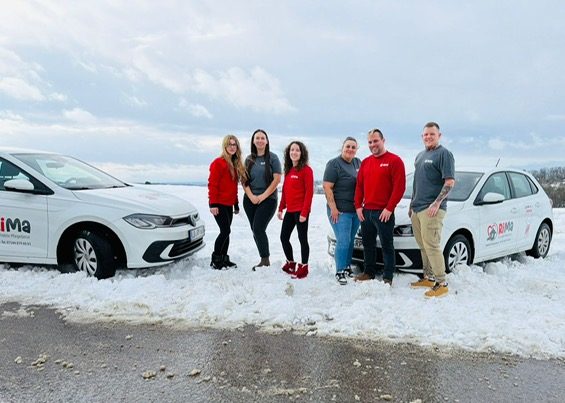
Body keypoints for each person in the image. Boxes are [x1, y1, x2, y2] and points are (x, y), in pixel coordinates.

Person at [354, 129, 406, 285]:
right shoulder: (366, 162)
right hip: (366, 212)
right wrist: (358, 206)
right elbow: (359, 186)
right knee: (368, 244)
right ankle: (368, 272)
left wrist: (389, 208)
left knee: (386, 245)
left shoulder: (394, 161)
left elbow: (399, 187)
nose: (372, 144)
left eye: (375, 141)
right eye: (370, 142)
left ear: (383, 140)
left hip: (384, 212)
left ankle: (388, 277)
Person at [409, 122, 455, 297]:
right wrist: (412, 204)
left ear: (439, 136)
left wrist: (436, 203)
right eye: (426, 134)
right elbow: (417, 182)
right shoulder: (420, 156)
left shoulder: (444, 154)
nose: (428, 137)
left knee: (432, 245)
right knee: (423, 245)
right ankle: (428, 278)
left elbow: (449, 182)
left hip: (432, 209)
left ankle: (441, 283)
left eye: (432, 134)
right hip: (417, 208)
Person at [323, 137, 362, 285]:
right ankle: (339, 271)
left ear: (356, 149)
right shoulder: (334, 164)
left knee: (350, 240)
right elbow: (327, 187)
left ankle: (346, 267)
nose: (350, 149)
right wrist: (333, 208)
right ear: (343, 147)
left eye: (353, 147)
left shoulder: (358, 163)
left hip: (354, 210)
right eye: (348, 146)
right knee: (343, 240)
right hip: (340, 211)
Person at [243, 129, 282, 270]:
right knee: (255, 229)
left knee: (258, 228)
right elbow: (244, 181)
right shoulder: (249, 159)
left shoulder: (273, 158)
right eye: (257, 138)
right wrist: (252, 197)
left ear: (266, 141)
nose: (260, 140)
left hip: (268, 199)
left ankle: (265, 260)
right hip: (250, 200)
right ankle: (263, 258)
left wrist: (261, 197)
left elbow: (277, 179)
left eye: (262, 138)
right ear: (253, 141)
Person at [207, 134, 247, 270]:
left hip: (228, 204)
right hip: (218, 203)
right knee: (225, 231)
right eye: (229, 144)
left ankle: (224, 259)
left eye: (234, 144)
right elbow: (213, 184)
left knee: (227, 232)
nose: (232, 147)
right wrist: (213, 204)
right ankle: (216, 260)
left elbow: (233, 187)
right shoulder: (218, 163)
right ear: (225, 146)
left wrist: (236, 203)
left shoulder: (234, 164)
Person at [278, 141, 314, 279]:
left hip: (301, 212)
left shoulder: (306, 170)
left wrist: (304, 212)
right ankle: (291, 263)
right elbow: (285, 191)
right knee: (284, 237)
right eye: (292, 150)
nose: (294, 152)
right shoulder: (288, 170)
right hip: (290, 211)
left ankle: (304, 267)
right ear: (288, 153)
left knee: (302, 239)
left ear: (302, 153)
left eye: (297, 150)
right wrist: (281, 208)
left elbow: (309, 193)